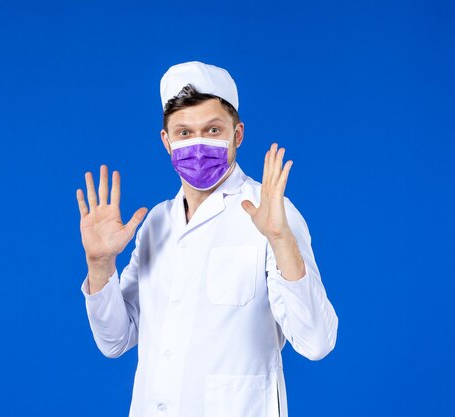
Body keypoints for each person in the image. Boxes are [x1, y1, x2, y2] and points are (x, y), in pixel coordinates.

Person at [76, 61, 338, 417]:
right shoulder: (156, 223)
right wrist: (100, 264)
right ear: (166, 141)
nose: (198, 145)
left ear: (238, 134)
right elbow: (115, 340)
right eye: (184, 133)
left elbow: (317, 342)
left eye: (213, 130)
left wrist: (279, 239)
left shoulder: (272, 213)